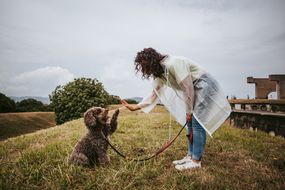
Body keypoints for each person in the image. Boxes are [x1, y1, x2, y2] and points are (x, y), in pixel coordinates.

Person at [121, 48, 231, 171]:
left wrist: (189, 112)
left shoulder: (174, 63)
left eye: (143, 66)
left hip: (205, 85)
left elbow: (188, 88)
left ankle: (196, 161)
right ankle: (190, 156)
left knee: (197, 122)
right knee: (190, 123)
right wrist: (135, 107)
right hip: (193, 89)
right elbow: (153, 96)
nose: (143, 70)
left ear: (150, 62)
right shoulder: (160, 74)